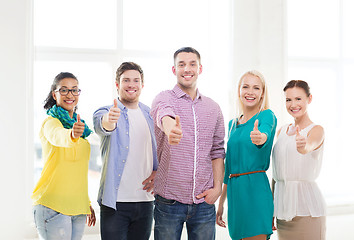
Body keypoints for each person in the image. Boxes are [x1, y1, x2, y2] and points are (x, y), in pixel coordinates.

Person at [150, 47, 225, 240]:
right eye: (181, 64)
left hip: (204, 203)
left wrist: (217, 189)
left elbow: (217, 151)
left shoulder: (213, 108)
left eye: (192, 64)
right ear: (174, 70)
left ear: (200, 69)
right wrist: (170, 129)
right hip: (168, 202)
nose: (187, 69)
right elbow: (163, 114)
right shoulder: (164, 97)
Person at [93, 62, 158, 240]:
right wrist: (109, 120)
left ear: (142, 85)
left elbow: (160, 150)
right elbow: (103, 126)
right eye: (126, 80)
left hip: (145, 201)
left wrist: (158, 172)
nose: (131, 84)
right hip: (115, 203)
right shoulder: (105, 111)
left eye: (136, 80)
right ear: (117, 85)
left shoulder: (151, 114)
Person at [32, 72, 96, 240]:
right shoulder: (50, 123)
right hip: (52, 207)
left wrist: (86, 202)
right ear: (55, 94)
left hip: (77, 208)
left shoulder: (80, 127)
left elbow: (75, 172)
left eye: (74, 90)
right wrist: (71, 135)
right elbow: (58, 136)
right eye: (64, 90)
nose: (70, 95)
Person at [216, 70, 277, 240]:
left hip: (255, 190)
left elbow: (264, 133)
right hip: (235, 196)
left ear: (262, 93)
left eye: (256, 88)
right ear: (239, 91)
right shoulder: (232, 124)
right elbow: (229, 167)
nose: (250, 92)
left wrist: (260, 138)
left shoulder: (267, 116)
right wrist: (221, 203)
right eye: (246, 86)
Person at [271, 80, 326, 240]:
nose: (293, 104)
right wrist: (272, 211)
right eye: (288, 100)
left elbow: (310, 145)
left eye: (298, 99)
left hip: (308, 211)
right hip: (283, 212)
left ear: (309, 99)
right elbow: (276, 175)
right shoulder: (281, 131)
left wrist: (303, 146)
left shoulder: (316, 130)